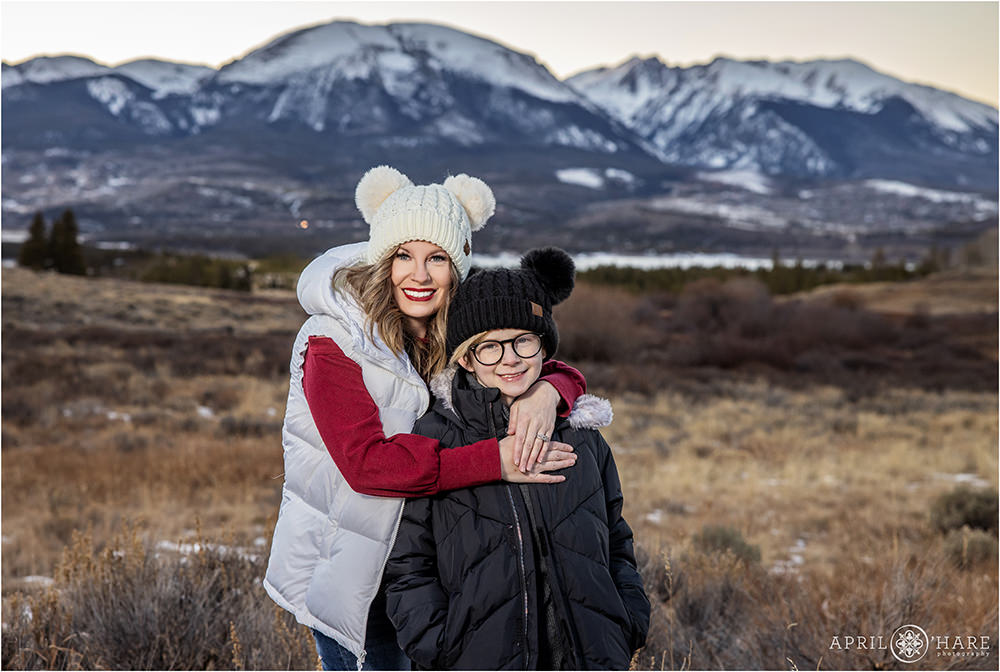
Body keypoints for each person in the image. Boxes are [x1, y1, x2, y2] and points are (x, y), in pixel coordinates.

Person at [262, 166, 588, 671]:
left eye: (437, 258)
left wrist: (550, 389)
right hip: (354, 567)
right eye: (403, 256)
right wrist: (494, 460)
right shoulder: (334, 343)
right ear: (382, 259)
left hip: (431, 565)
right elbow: (369, 466)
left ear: (456, 266)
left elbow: (529, 353)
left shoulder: (452, 329)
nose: (419, 275)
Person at [384, 247, 650, 670]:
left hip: (591, 655)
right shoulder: (436, 439)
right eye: (488, 347)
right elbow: (408, 565)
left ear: (544, 347)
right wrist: (440, 648)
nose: (509, 358)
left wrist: (628, 621)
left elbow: (616, 540)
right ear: (466, 357)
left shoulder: (582, 440)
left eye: (523, 340)